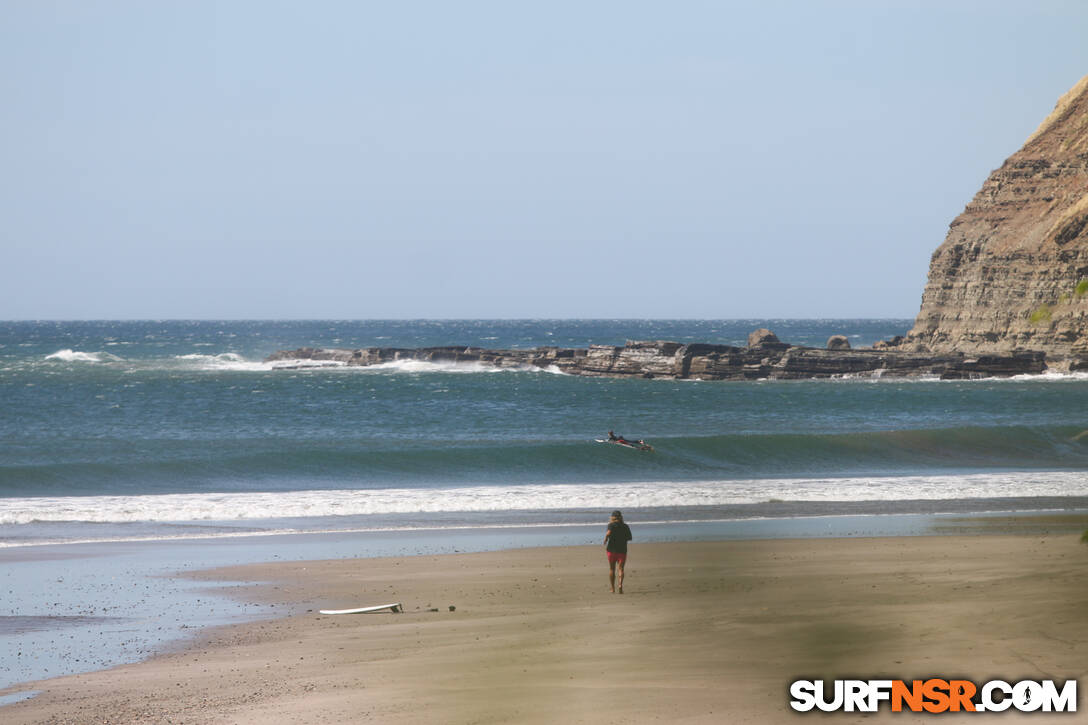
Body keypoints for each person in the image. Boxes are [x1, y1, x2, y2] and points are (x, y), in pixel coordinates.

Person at [604, 509, 633, 593]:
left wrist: (606, 539)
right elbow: (630, 538)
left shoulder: (611, 525)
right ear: (621, 517)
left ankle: (613, 588)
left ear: (612, 517)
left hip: (611, 550)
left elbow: (608, 533)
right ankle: (620, 585)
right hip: (622, 550)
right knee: (621, 569)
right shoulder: (625, 526)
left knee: (612, 569)